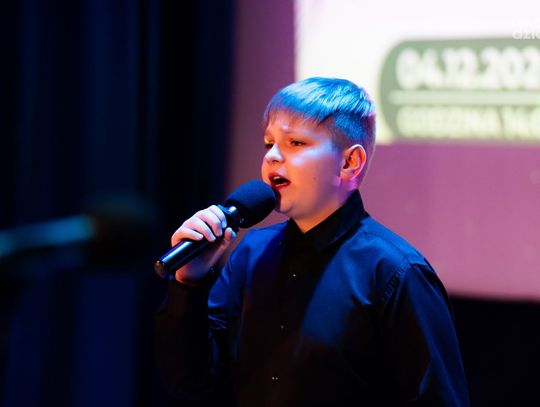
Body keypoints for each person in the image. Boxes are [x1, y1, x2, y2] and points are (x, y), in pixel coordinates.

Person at [155, 77, 469, 406]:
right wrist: (189, 282)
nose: (272, 156)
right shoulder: (251, 253)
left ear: (349, 163)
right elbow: (189, 381)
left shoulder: (395, 272)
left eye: (295, 143)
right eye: (268, 143)